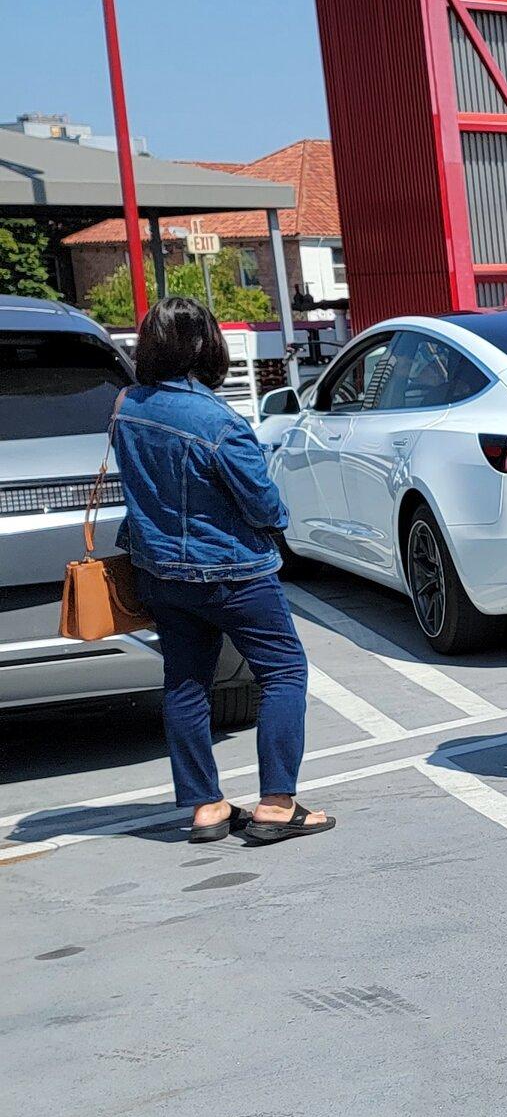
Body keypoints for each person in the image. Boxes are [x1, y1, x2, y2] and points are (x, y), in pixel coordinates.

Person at [108, 298, 327, 846]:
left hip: (160, 572)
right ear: (207, 346)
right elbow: (264, 506)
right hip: (233, 572)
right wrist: (278, 516)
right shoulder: (219, 420)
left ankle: (206, 806)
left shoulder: (126, 406)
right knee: (283, 672)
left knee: (186, 684)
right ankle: (277, 803)